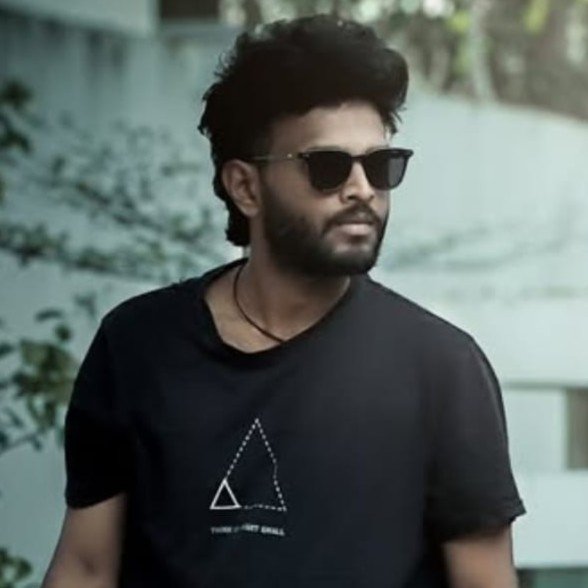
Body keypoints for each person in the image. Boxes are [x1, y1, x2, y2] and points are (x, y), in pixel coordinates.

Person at [42, 14, 526, 588]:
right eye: (328, 167)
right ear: (245, 187)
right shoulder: (138, 346)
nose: (362, 189)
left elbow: (485, 580)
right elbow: (86, 568)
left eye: (380, 165)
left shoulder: (441, 367)